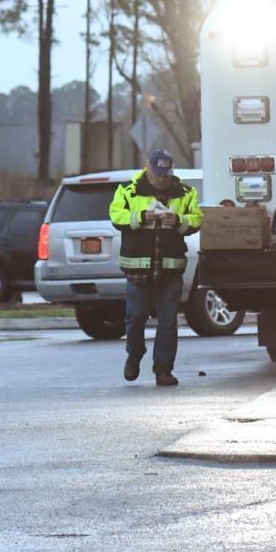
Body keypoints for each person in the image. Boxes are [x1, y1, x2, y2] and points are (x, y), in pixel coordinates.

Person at [109, 149, 203, 387]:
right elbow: (116, 217)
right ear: (147, 168)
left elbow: (196, 219)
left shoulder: (185, 193)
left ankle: (163, 369)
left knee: (168, 321)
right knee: (136, 317)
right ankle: (135, 354)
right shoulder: (128, 190)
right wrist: (142, 217)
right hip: (137, 268)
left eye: (164, 174)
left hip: (170, 269)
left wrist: (178, 221)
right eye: (156, 173)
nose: (160, 179)